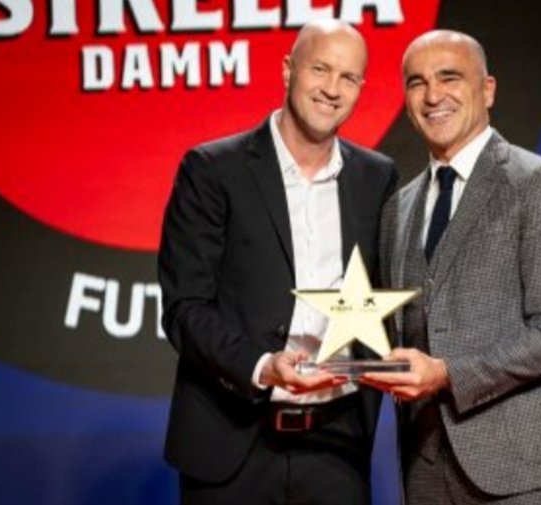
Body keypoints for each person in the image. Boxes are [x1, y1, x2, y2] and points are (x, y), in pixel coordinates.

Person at [158, 19, 397, 505]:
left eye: (348, 77)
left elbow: (389, 295)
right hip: (232, 446)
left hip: (336, 450)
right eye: (320, 69)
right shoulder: (212, 170)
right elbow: (185, 308)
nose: (332, 89)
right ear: (288, 69)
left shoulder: (377, 178)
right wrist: (263, 366)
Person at [361, 30, 541, 504]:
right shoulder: (398, 209)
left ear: (487, 90)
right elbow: (390, 336)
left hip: (523, 472)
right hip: (426, 469)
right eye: (417, 82)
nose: (433, 96)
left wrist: (447, 373)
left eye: (449, 77)